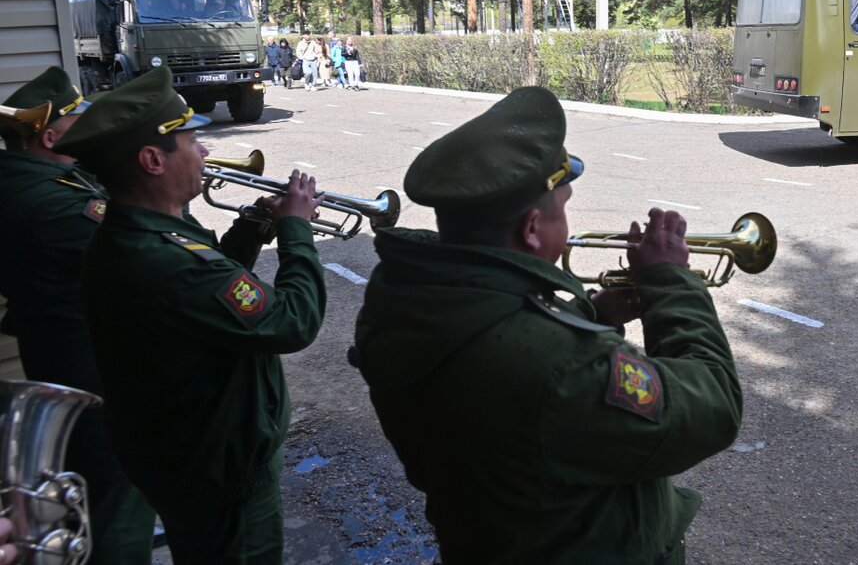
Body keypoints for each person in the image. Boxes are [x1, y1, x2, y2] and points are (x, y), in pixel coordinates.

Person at [352, 86, 742, 565]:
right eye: (563, 205)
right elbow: (714, 408)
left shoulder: (407, 299)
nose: (568, 221)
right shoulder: (562, 366)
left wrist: (589, 316)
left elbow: (500, 380)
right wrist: (673, 283)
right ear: (532, 228)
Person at [53, 66, 328, 565]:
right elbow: (292, 321)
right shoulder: (163, 257)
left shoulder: (143, 233)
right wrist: (297, 233)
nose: (205, 152)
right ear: (153, 159)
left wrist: (253, 224)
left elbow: (211, 292)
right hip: (218, 472)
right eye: (191, 142)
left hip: (185, 457)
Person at [0, 67, 157, 565]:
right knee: (117, 500)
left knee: (91, 493)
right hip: (94, 368)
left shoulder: (33, 181)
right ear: (49, 136)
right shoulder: (54, 202)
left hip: (60, 351)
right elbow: (148, 252)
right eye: (77, 122)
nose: (90, 129)